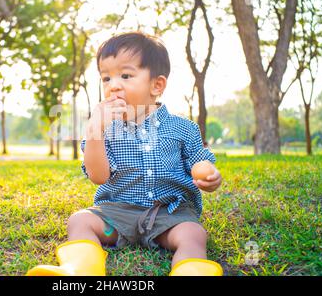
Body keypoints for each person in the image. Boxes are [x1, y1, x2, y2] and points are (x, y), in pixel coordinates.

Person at [27, 32, 223, 276]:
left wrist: (208, 174)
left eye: (125, 75)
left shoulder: (184, 128)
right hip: (116, 217)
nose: (113, 86)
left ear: (157, 85)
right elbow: (98, 176)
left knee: (193, 234)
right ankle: (80, 270)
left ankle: (190, 273)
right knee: (80, 221)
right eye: (106, 78)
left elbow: (198, 162)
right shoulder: (105, 129)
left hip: (168, 217)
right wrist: (94, 129)